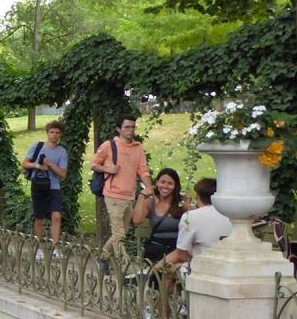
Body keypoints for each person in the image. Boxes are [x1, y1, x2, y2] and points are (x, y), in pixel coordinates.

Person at [89, 115, 154, 257]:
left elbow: (143, 170)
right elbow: (93, 164)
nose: (130, 130)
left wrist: (150, 189)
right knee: (119, 234)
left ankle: (103, 258)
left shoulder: (138, 148)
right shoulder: (109, 145)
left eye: (133, 127)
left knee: (121, 233)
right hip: (112, 195)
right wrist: (108, 169)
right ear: (119, 129)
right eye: (127, 127)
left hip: (129, 196)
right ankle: (123, 266)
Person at [160, 177, 233, 269]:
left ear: (197, 196)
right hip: (229, 264)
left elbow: (181, 253)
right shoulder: (231, 214)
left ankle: (151, 274)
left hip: (203, 267)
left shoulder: (190, 216)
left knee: (170, 270)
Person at [22, 121, 69, 244]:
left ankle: (55, 247)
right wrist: (38, 165)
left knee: (56, 216)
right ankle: (39, 247)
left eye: (57, 133)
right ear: (47, 133)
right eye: (52, 132)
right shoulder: (38, 146)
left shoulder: (62, 151)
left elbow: (63, 174)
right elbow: (25, 163)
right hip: (38, 184)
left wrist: (50, 164)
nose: (54, 135)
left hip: (54, 186)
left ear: (61, 135)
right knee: (39, 218)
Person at [134, 167, 187, 264]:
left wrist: (188, 204)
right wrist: (141, 196)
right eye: (162, 182)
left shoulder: (181, 204)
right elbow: (137, 220)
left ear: (175, 186)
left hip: (178, 247)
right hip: (157, 247)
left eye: (170, 183)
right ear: (157, 183)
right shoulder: (150, 203)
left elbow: (194, 222)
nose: (165, 186)